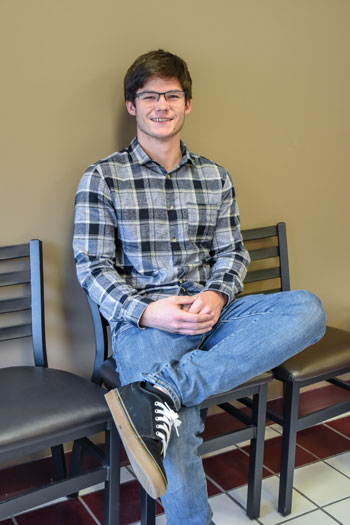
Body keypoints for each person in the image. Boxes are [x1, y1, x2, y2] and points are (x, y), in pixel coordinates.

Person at [73, 49, 326, 525]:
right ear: (132, 106)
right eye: (150, 96)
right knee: (180, 426)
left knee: (309, 309)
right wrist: (150, 313)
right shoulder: (102, 178)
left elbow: (233, 254)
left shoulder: (215, 176)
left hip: (216, 314)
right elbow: (92, 267)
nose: (161, 105)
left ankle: (159, 392)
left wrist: (216, 295)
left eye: (172, 95)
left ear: (188, 104)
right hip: (146, 325)